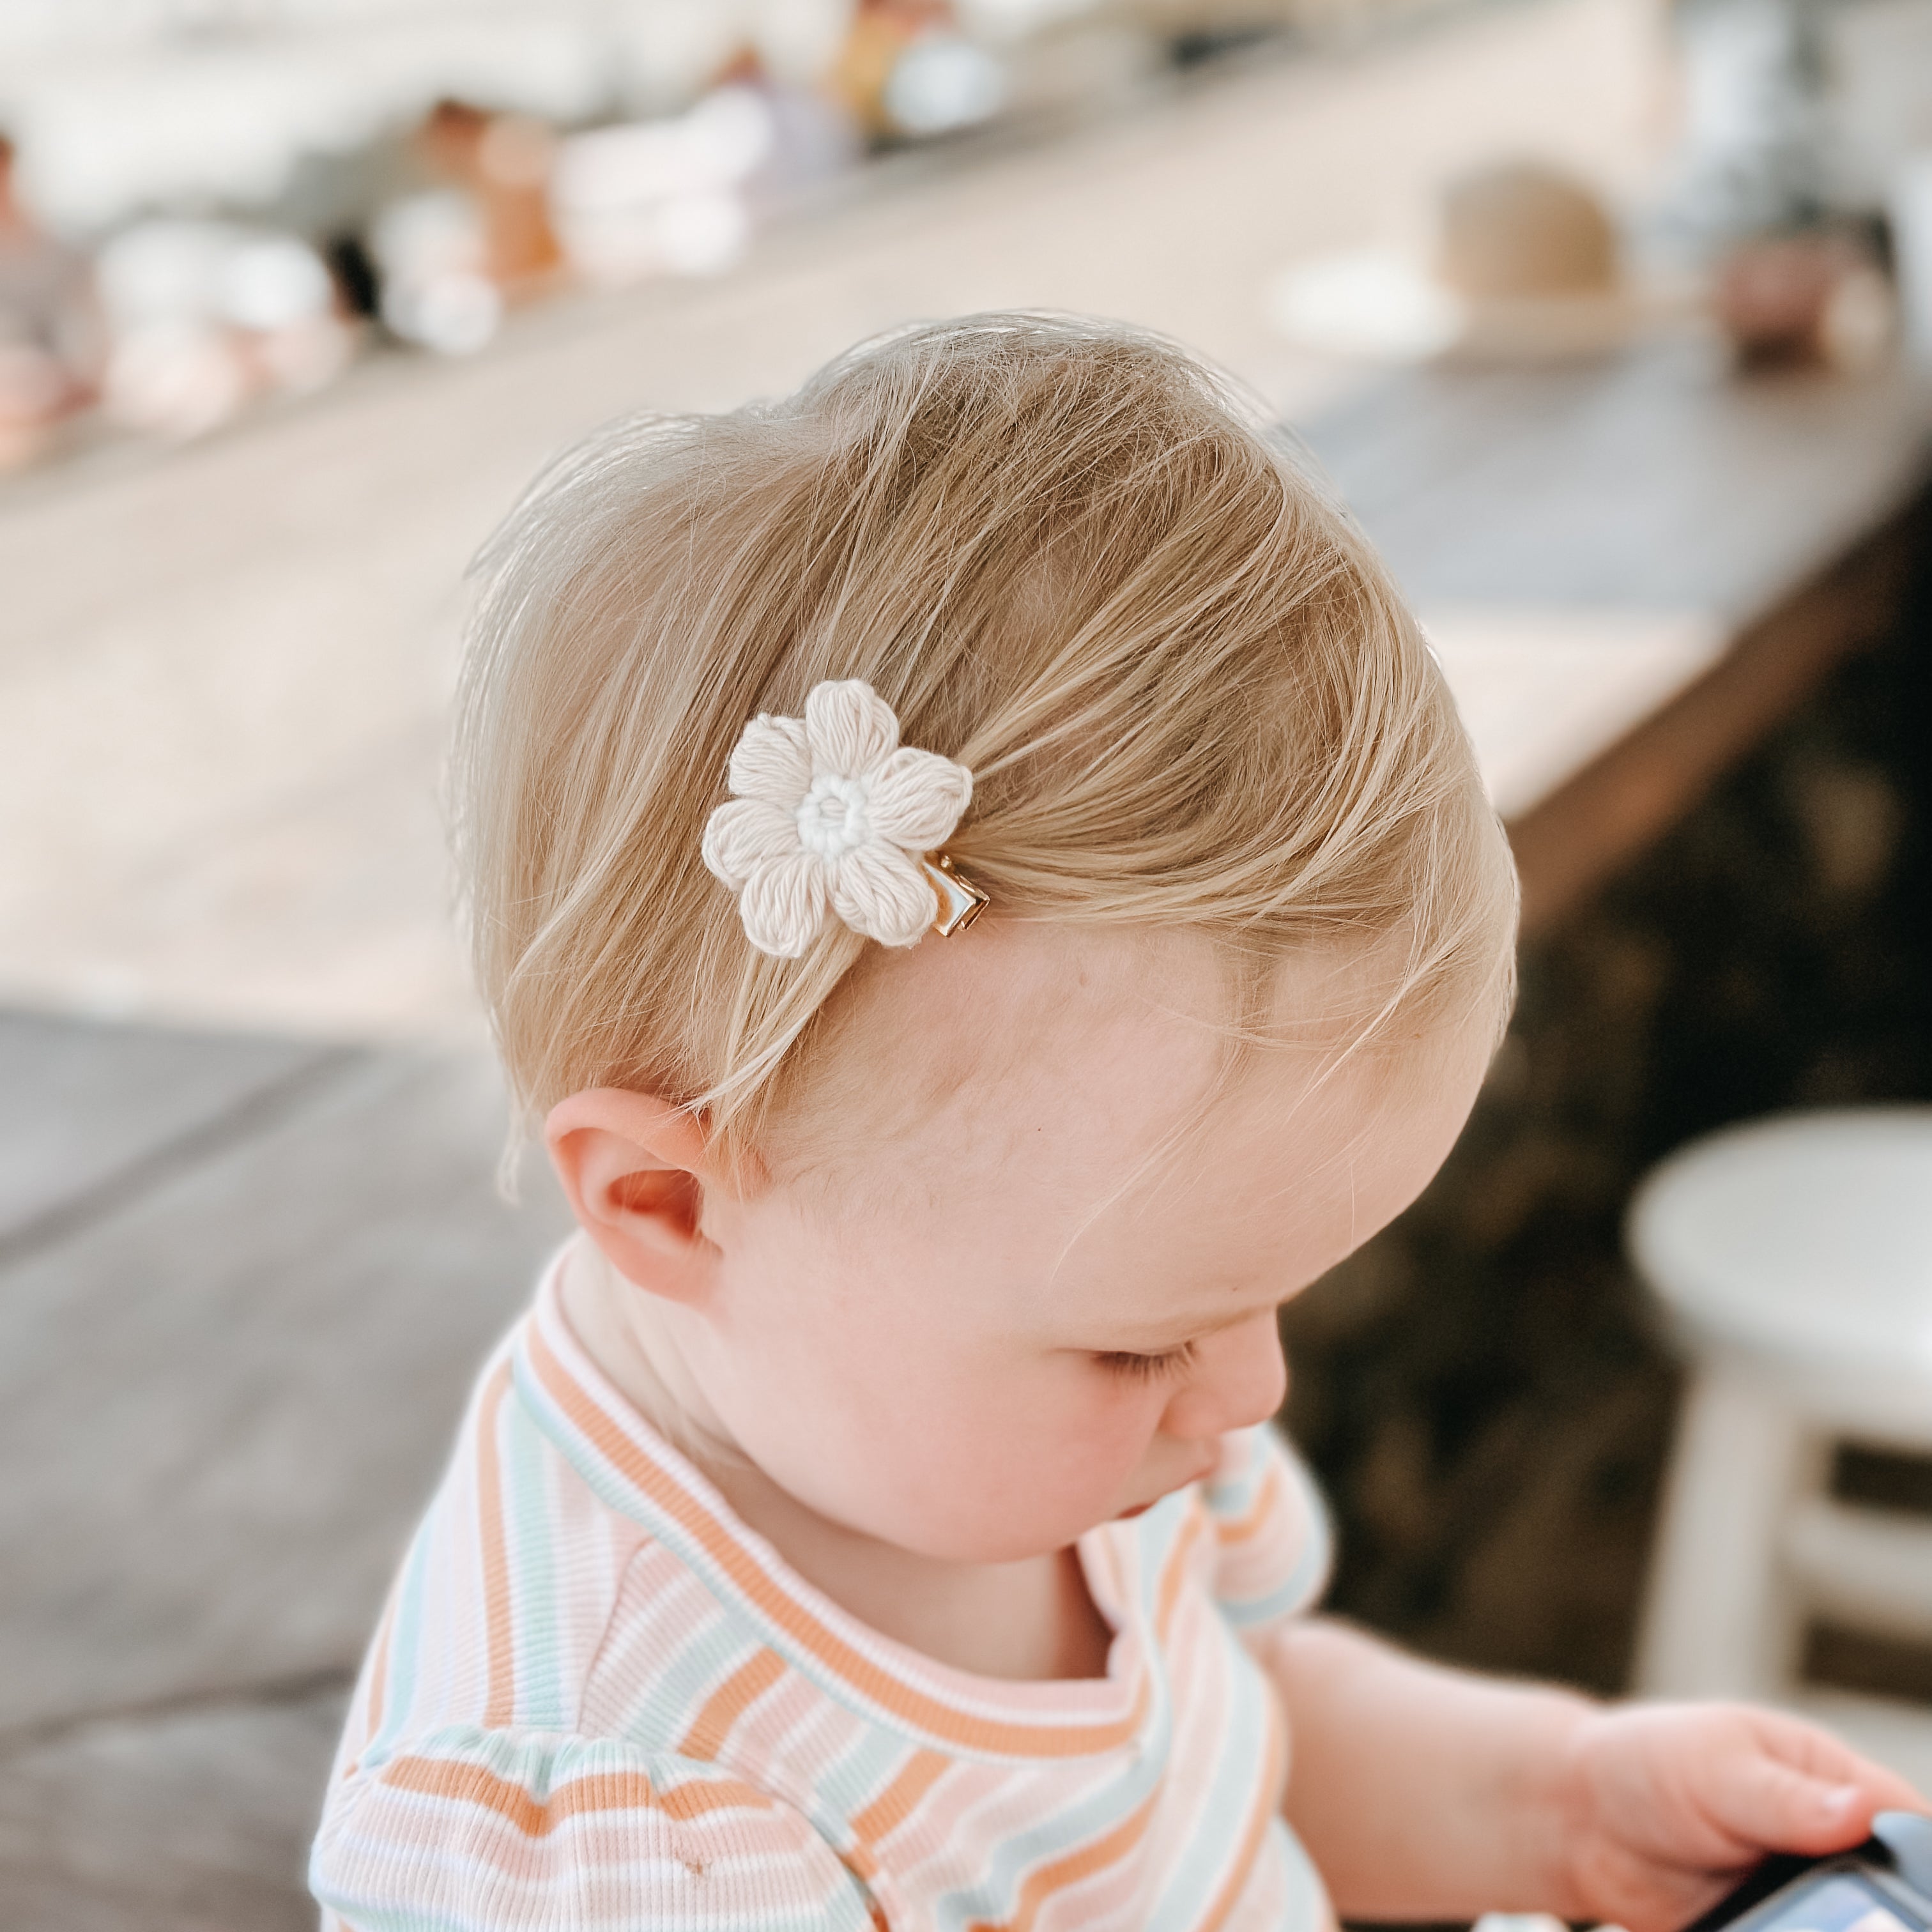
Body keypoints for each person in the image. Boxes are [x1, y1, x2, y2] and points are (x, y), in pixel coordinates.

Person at [309, 313, 1922, 1931]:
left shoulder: (1047, 1408)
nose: (1251, 1389)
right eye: (1152, 1343)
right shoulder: (622, 1824)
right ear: (669, 1203)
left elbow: (1229, 1726)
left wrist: (1560, 1806)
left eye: (1261, 1301)